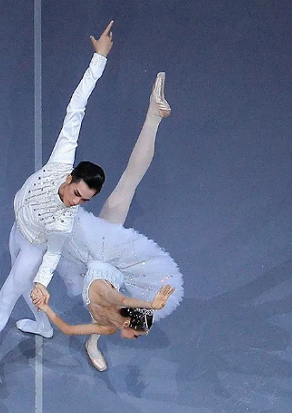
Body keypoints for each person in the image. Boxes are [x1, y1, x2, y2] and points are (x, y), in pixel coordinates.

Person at [0, 21, 114, 385]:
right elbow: (76, 108)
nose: (76, 203)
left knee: (5, 302)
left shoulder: (64, 221)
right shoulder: (62, 158)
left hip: (34, 248)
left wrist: (43, 282)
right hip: (17, 231)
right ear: (70, 177)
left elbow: (53, 254)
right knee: (20, 280)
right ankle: (43, 327)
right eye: (77, 194)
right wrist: (99, 60)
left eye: (85, 201)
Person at [32, 72, 184, 370]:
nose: (135, 339)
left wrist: (46, 307)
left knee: (99, 326)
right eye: (136, 334)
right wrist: (150, 305)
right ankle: (153, 117)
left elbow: (67, 329)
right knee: (127, 186)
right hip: (102, 251)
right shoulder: (113, 298)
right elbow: (123, 300)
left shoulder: (111, 326)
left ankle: (92, 345)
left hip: (98, 279)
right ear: (128, 323)